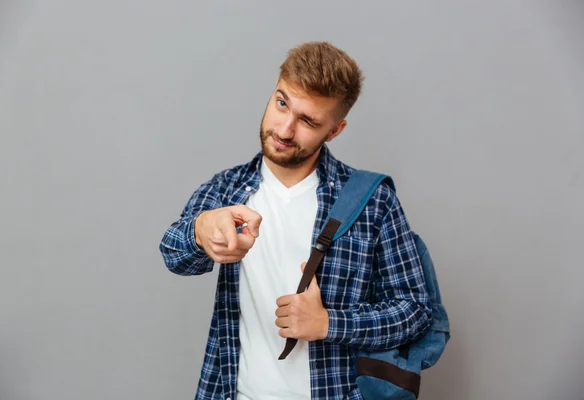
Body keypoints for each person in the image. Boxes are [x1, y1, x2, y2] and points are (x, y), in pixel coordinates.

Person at [159, 41, 431, 400]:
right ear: (273, 91)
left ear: (334, 131)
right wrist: (200, 230)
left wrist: (328, 324)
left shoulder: (372, 200)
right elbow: (173, 254)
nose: (285, 130)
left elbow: (415, 311)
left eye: (308, 121)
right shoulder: (227, 189)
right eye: (282, 103)